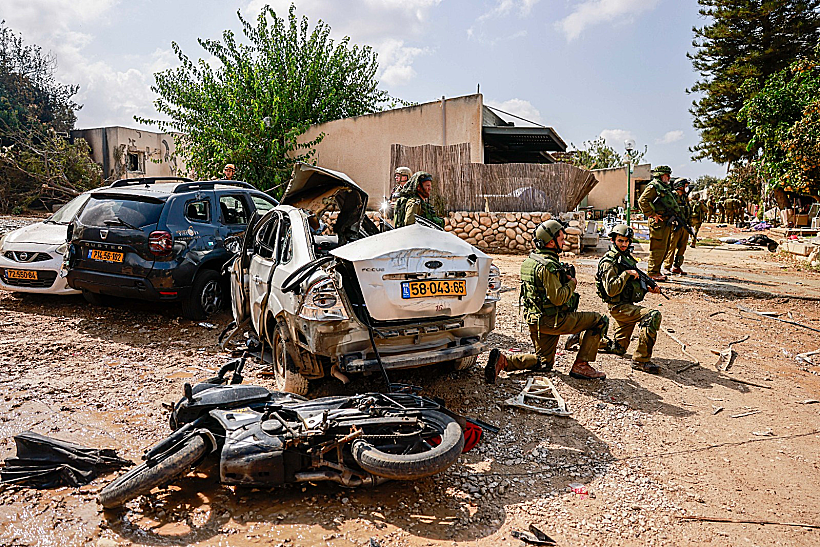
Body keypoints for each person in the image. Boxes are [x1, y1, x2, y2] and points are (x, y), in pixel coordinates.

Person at [484, 219, 609, 383]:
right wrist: (572, 283)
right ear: (551, 242)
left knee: (544, 363)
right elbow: (557, 298)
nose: (564, 242)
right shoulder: (548, 266)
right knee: (599, 321)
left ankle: (504, 361)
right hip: (552, 321)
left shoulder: (530, 261)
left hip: (536, 321)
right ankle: (581, 365)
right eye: (561, 239)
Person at [596, 224, 663, 374]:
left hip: (626, 305)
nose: (624, 244)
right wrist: (627, 273)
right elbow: (612, 290)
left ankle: (581, 338)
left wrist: (648, 288)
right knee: (652, 315)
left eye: (627, 241)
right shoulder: (610, 262)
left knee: (617, 349)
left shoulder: (624, 257)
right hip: (618, 307)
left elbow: (631, 286)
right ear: (613, 240)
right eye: (620, 241)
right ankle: (641, 360)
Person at [638, 165, 677, 281]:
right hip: (658, 222)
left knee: (664, 248)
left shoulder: (663, 187)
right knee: (658, 248)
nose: (669, 178)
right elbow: (642, 201)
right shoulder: (654, 186)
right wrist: (652, 214)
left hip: (665, 222)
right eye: (667, 175)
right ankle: (652, 272)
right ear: (661, 175)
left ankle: (657, 270)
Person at [663, 178, 691, 275]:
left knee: (682, 247)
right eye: (685, 186)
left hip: (684, 225)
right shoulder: (672, 196)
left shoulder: (684, 197)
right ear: (680, 186)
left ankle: (677, 266)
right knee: (672, 246)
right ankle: (667, 266)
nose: (687, 188)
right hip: (675, 225)